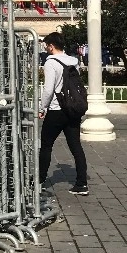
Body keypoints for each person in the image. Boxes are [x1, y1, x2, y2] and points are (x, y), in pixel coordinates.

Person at [38, 32, 89, 196]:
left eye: (46, 45)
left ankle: (39, 182)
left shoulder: (51, 63)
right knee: (76, 146)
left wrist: (42, 107)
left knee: (46, 145)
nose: (46, 48)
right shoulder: (74, 61)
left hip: (56, 110)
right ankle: (81, 184)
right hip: (72, 109)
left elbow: (48, 89)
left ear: (51, 46)